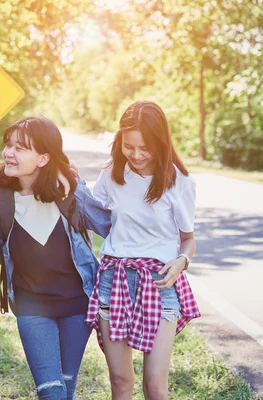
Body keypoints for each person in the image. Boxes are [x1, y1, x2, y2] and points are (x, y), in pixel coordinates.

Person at [0, 116, 111, 399]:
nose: (9, 152)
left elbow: (111, 227)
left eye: (20, 148)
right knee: (50, 391)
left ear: (44, 158)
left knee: (66, 387)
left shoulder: (70, 191)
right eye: (8, 145)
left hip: (77, 305)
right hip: (32, 305)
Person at [85, 101, 201, 400]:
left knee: (154, 384)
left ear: (160, 143)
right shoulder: (111, 175)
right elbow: (90, 216)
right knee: (121, 381)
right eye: (129, 146)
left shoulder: (180, 180)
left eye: (145, 148)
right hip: (115, 281)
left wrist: (182, 261)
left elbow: (188, 239)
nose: (136, 155)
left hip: (159, 282)